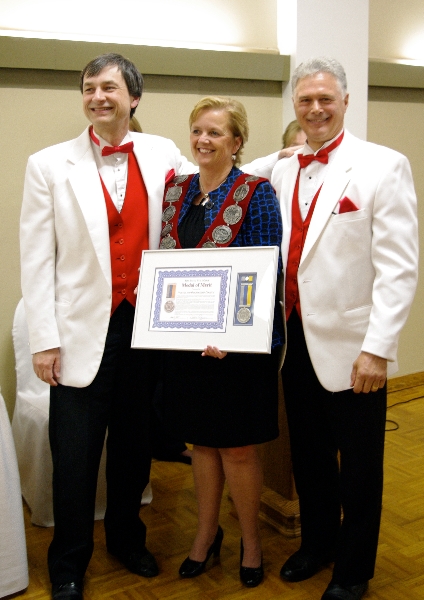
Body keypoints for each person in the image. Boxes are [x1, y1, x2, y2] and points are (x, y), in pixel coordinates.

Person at [19, 52, 200, 600]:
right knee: (73, 457)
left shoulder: (160, 151)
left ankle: (127, 539)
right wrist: (44, 340)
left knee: (132, 447)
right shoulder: (47, 164)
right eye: (89, 87)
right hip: (76, 335)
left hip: (143, 330)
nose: (98, 96)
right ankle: (68, 563)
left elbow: (213, 183)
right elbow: (36, 259)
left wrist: (280, 164)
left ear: (133, 98)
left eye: (109, 88)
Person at [271, 57, 418, 600]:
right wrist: (286, 152)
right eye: (305, 100)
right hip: (295, 342)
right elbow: (245, 169)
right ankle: (317, 545)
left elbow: (399, 268)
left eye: (325, 99)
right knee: (307, 457)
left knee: (359, 468)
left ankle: (353, 570)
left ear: (346, 102)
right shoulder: (284, 168)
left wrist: (377, 349)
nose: (315, 109)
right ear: (295, 106)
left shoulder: (383, 165)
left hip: (356, 348)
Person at [158, 96, 284, 588]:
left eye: (215, 132)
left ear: (237, 142)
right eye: (196, 131)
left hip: (239, 349)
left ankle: (251, 542)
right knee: (202, 445)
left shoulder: (256, 192)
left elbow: (264, 270)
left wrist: (234, 335)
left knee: (238, 450)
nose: (203, 140)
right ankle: (206, 537)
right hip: (186, 347)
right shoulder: (176, 193)